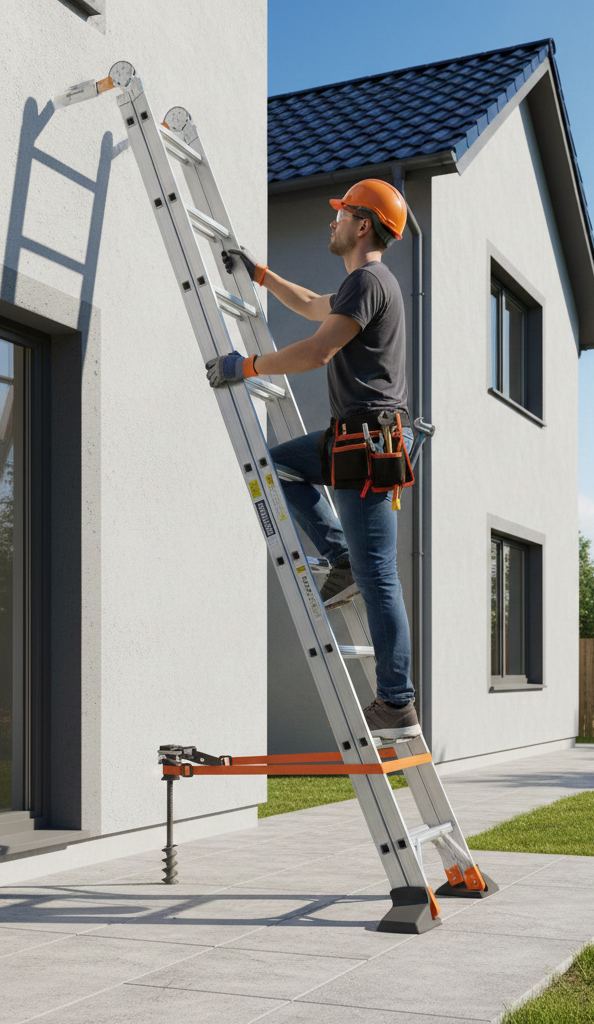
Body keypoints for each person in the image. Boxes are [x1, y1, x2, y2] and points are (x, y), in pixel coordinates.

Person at [205, 179, 420, 740]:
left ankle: (396, 700)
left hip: (367, 447)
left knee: (380, 578)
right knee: (275, 466)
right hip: (351, 439)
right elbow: (310, 307)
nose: (333, 222)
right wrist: (261, 276)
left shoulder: (369, 282)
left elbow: (318, 349)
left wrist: (246, 366)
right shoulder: (363, 286)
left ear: (363, 224)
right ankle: (338, 556)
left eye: (341, 214)